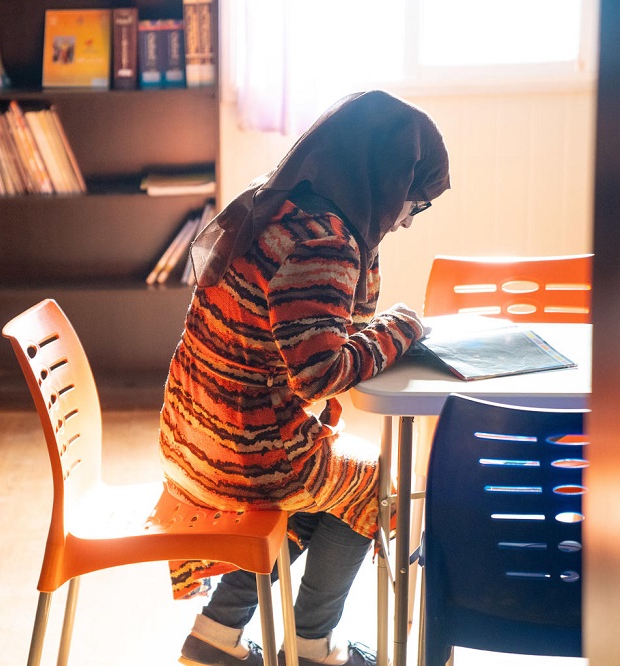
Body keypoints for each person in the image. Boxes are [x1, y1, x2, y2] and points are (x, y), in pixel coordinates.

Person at [159, 90, 451, 666]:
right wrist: (401, 329)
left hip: (199, 428)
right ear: (382, 181)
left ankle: (215, 634)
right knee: (375, 486)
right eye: (408, 204)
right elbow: (322, 372)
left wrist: (376, 321)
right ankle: (314, 646)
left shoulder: (285, 204)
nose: (402, 220)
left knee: (328, 479)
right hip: (243, 448)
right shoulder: (325, 239)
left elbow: (314, 334)